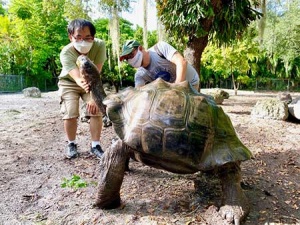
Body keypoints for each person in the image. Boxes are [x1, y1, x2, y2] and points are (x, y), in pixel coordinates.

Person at [58, 19, 106, 159]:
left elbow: (96, 73)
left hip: (91, 80)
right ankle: (71, 144)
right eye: (78, 37)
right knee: (71, 111)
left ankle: (95, 145)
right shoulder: (66, 53)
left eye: (88, 38)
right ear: (70, 36)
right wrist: (85, 86)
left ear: (93, 37)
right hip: (70, 81)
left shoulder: (100, 45)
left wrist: (93, 97)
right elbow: (78, 78)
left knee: (95, 109)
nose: (83, 41)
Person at [119, 40, 200, 90]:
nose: (130, 59)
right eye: (127, 59)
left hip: (191, 83)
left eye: (131, 55)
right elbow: (138, 94)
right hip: (171, 91)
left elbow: (181, 62)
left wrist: (176, 89)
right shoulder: (140, 75)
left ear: (140, 48)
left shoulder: (160, 48)